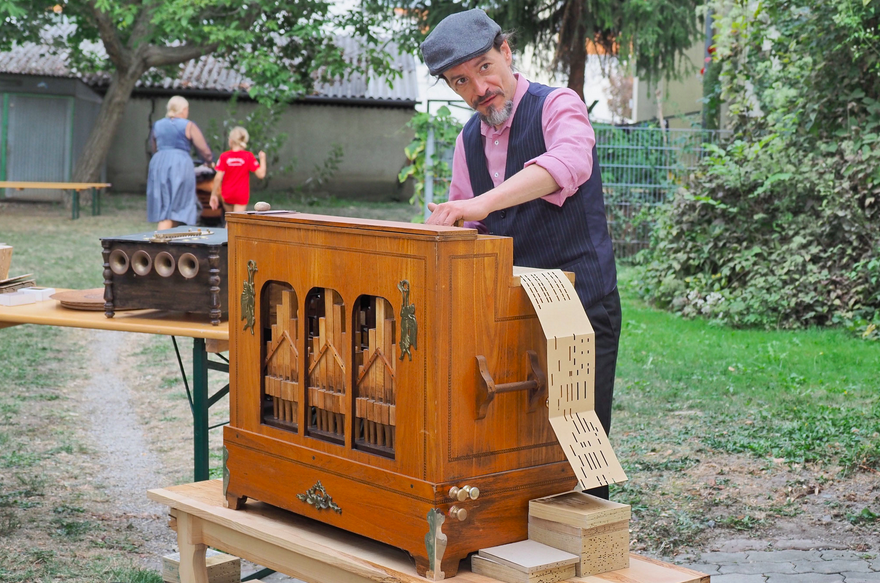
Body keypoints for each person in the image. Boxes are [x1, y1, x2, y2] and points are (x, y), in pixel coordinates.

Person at [420, 9, 621, 499]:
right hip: (513, 312)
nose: (478, 88)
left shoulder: (558, 105)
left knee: (580, 447)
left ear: (506, 53)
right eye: (461, 81)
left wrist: (480, 202)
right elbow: (472, 223)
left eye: (484, 67)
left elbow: (567, 162)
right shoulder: (467, 141)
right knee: (517, 443)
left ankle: (588, 556)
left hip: (579, 306)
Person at [147, 95, 213, 230]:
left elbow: (153, 147)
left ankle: (170, 243)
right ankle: (160, 244)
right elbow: (203, 149)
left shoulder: (157, 124)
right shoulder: (188, 125)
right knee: (177, 206)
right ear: (183, 109)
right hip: (179, 164)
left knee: (165, 204)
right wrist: (209, 161)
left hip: (159, 163)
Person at [209, 126, 267, 214]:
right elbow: (261, 174)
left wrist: (213, 195)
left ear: (231, 141)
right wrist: (262, 159)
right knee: (236, 222)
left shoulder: (224, 156)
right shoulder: (248, 156)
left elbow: (218, 178)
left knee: (229, 221)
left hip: (227, 194)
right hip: (241, 195)